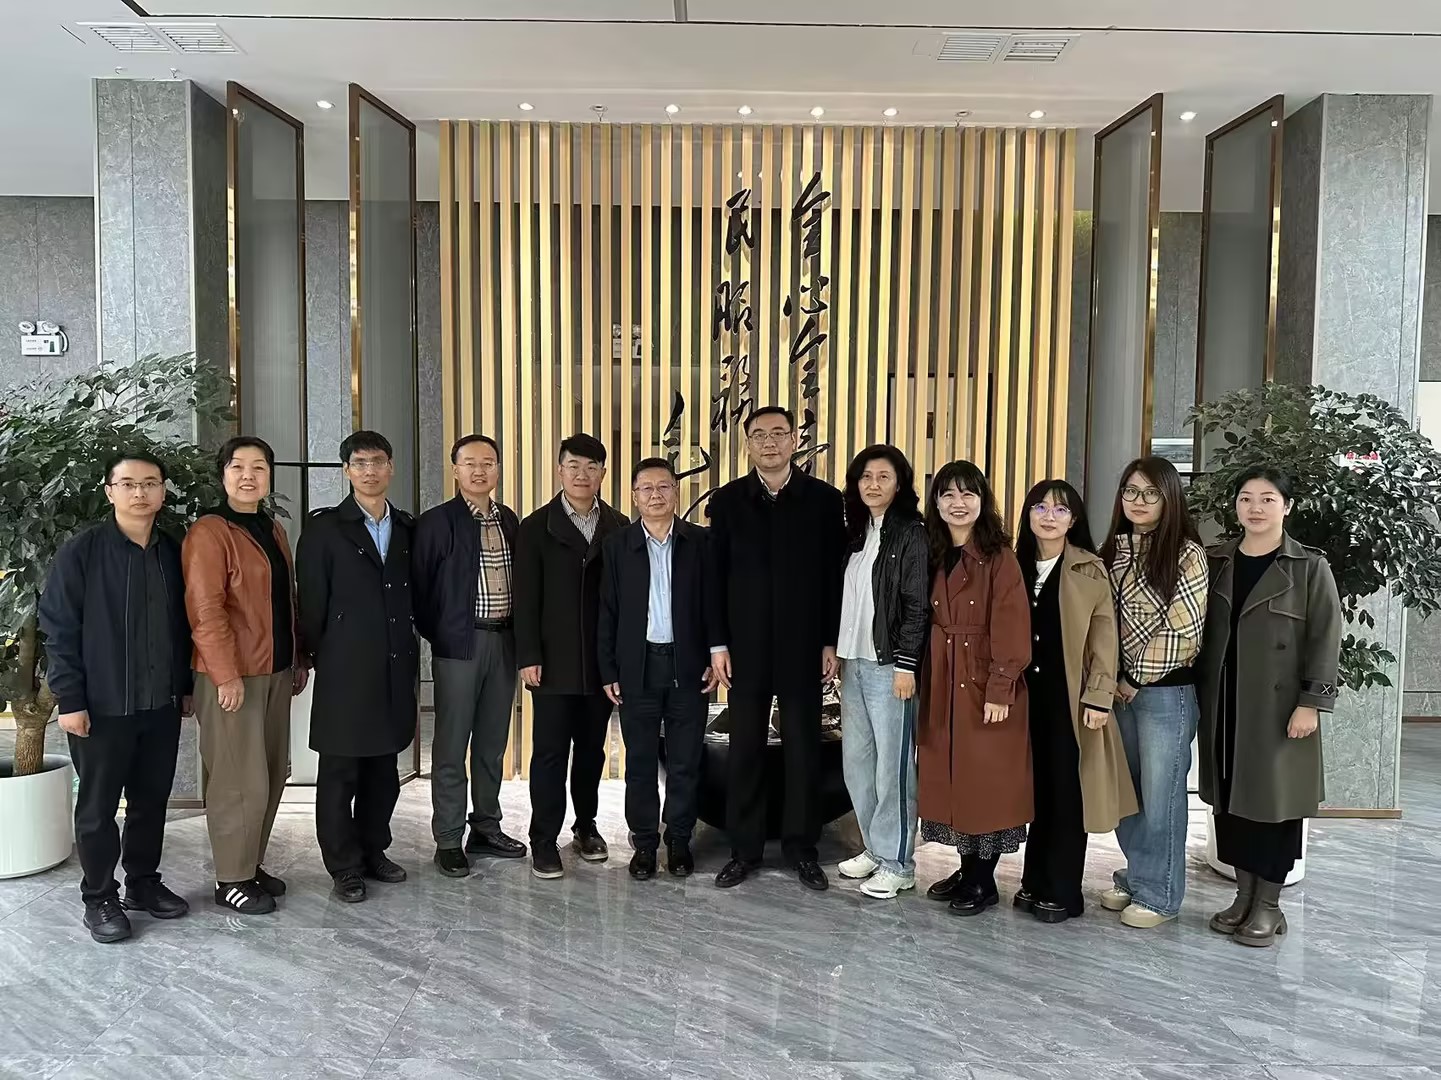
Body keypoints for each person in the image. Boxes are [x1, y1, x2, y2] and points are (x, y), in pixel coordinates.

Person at [38, 452, 194, 943]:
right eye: (127, 484)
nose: (139, 493)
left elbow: (185, 626)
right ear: (109, 492)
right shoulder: (81, 552)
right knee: (98, 808)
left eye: (150, 483)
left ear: (163, 491)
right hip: (102, 707)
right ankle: (100, 897)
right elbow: (59, 629)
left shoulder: (174, 551)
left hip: (160, 704)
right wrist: (70, 700)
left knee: (151, 802)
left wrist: (186, 688)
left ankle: (143, 884)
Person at [1196, 466, 1341, 947]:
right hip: (1225, 703)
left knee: (1275, 807)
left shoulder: (1308, 567)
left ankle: (1269, 905)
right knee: (1230, 803)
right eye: (1246, 498)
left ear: (1287, 506)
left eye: (1267, 498)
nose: (1255, 508)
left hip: (1279, 710)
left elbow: (1325, 638)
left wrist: (1311, 703)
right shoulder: (1217, 561)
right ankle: (1244, 896)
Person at [707, 406, 848, 892]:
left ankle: (801, 849)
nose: (769, 442)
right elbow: (714, 577)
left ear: (794, 440)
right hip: (743, 647)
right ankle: (743, 850)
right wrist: (718, 644)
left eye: (779, 433)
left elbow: (833, 576)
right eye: (759, 435)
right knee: (745, 748)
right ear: (748, 444)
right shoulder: (728, 501)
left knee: (803, 749)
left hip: (804, 645)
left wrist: (830, 639)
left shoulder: (824, 500)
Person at [183, 436, 307, 915]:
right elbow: (205, 610)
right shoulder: (209, 532)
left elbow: (285, 600)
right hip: (234, 676)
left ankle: (250, 863)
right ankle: (230, 879)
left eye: (259, 467)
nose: (249, 476)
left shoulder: (271, 528)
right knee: (238, 781)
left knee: (271, 776)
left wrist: (297, 658)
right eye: (238, 467)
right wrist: (225, 675)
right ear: (223, 475)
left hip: (274, 670)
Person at [296, 431, 416, 903]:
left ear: (391, 468)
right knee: (340, 772)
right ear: (346, 470)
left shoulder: (406, 528)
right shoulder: (325, 529)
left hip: (394, 667)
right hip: (344, 669)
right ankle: (343, 865)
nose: (370, 471)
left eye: (378, 462)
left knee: (383, 772)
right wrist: (317, 656)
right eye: (360, 463)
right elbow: (312, 603)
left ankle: (372, 850)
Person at [1011, 479, 1137, 924]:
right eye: (1040, 507)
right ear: (1027, 514)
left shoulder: (1088, 569)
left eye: (1060, 510)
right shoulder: (1012, 564)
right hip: (1019, 699)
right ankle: (1033, 880)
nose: (1049, 516)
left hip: (1068, 698)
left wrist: (1099, 697)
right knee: (1036, 792)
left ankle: (1063, 890)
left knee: (1067, 793)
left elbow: (1105, 638)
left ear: (1074, 519)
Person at [598, 457, 728, 881]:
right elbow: (607, 611)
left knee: (685, 761)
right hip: (637, 668)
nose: (655, 495)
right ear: (634, 496)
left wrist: (716, 653)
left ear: (675, 491)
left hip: (688, 666)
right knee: (639, 762)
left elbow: (715, 603)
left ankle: (679, 839)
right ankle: (644, 843)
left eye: (663, 487)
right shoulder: (617, 545)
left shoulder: (700, 541)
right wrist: (608, 669)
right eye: (646, 488)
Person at [917, 461, 1032, 916]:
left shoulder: (999, 557)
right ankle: (967, 870)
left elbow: (1012, 625)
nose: (958, 503)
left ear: (983, 501)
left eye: (968, 494)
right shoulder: (933, 551)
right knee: (954, 779)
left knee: (986, 781)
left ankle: (984, 880)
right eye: (948, 494)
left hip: (983, 681)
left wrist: (1001, 687)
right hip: (943, 676)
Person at [1098, 455, 1209, 928]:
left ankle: (1160, 894)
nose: (1138, 501)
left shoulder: (1186, 553)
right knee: (1128, 793)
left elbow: (1184, 633)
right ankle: (1138, 875)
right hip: (1115, 692)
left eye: (1150, 493)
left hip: (1165, 693)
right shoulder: (1111, 551)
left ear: (1170, 498)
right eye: (1130, 491)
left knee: (1162, 796)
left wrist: (1134, 678)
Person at [514, 433, 628, 879]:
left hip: (600, 665)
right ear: (560, 470)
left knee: (592, 752)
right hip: (552, 663)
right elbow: (525, 599)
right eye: (574, 466)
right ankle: (543, 838)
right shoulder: (535, 527)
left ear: (603, 473)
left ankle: (586, 826)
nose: (582, 474)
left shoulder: (619, 526)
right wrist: (528, 654)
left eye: (591, 467)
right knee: (549, 753)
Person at [414, 434, 525, 879]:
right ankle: (447, 838)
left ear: (498, 469)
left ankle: (486, 827)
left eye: (488, 462)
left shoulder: (509, 520)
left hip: (505, 642)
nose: (480, 471)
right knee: (451, 745)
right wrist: (443, 634)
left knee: (492, 744)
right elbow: (420, 591)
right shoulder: (437, 522)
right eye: (470, 463)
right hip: (459, 646)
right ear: (455, 469)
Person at [834, 445, 929, 900]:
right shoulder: (857, 533)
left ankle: (898, 862)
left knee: (893, 769)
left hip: (891, 665)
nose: (873, 484)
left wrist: (907, 664)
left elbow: (916, 604)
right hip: (853, 663)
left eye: (883, 476)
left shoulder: (911, 533)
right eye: (866, 476)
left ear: (900, 483)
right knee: (858, 764)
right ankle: (875, 847)